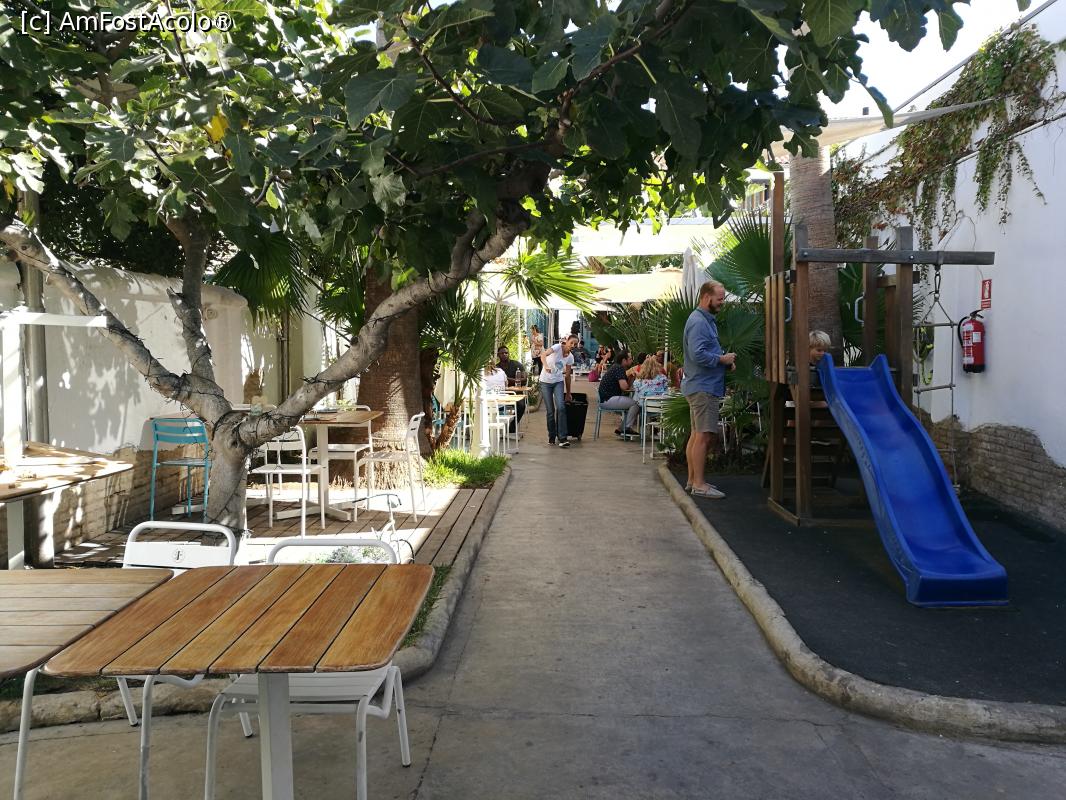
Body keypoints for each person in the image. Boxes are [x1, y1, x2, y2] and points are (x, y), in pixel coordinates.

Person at [682, 280, 736, 498]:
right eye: (720, 299)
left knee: (697, 435)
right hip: (703, 387)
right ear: (706, 297)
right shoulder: (699, 322)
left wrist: (724, 362)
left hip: (700, 384)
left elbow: (704, 352)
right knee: (703, 436)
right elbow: (698, 354)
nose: (722, 302)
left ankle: (692, 481)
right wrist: (722, 359)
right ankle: (699, 484)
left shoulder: (705, 320)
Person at [539, 334, 577, 447]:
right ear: (567, 341)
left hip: (558, 382)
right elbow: (543, 355)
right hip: (545, 382)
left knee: (561, 407)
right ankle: (552, 436)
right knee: (550, 411)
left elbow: (568, 376)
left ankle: (562, 438)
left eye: (575, 344)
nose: (573, 345)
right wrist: (546, 366)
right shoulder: (557, 347)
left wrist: (568, 393)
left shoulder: (570, 357)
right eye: (571, 343)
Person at [598, 350, 640, 437]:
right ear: (624, 360)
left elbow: (626, 386)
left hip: (605, 399)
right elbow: (624, 387)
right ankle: (626, 428)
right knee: (636, 404)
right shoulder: (619, 368)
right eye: (630, 359)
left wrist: (631, 377)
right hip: (608, 399)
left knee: (631, 405)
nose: (632, 360)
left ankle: (621, 429)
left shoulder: (616, 367)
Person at [496, 345, 526, 424]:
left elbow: (524, 379)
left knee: (521, 406)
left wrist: (506, 378)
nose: (505, 354)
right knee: (497, 407)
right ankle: (503, 425)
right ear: (498, 355)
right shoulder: (496, 368)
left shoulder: (516, 364)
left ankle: (512, 427)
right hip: (502, 394)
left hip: (516, 393)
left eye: (506, 353)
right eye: (502, 353)